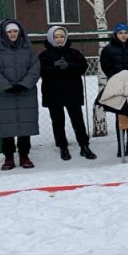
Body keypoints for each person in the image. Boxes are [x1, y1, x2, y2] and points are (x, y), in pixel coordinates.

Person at [0, 19, 41, 170]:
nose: (12, 34)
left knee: (25, 126)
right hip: (3, 94)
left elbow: (35, 68)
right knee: (7, 127)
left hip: (25, 92)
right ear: (4, 34)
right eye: (9, 32)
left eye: (15, 31)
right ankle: (9, 157)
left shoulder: (28, 50)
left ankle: (24, 156)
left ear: (20, 33)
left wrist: (24, 84)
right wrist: (6, 86)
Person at [38, 25, 96, 161]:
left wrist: (69, 66)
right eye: (56, 37)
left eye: (61, 36)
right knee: (58, 122)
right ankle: (62, 147)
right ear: (51, 38)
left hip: (72, 92)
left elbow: (83, 67)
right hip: (53, 93)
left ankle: (84, 145)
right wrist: (54, 67)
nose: (59, 39)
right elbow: (41, 71)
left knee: (78, 121)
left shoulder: (74, 53)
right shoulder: (44, 55)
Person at [99, 22, 128, 156]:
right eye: (120, 33)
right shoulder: (108, 49)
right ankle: (120, 146)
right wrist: (115, 78)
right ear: (115, 34)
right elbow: (105, 65)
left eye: (126, 33)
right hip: (117, 86)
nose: (123, 35)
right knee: (119, 114)